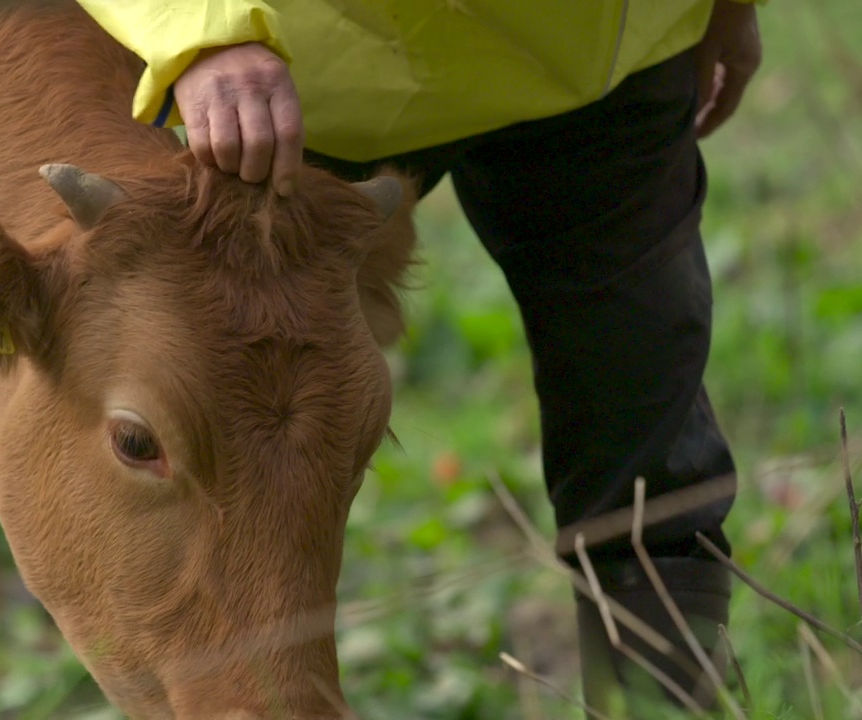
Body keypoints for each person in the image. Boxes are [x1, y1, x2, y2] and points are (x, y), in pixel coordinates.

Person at [76, 0, 764, 715]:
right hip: (290, 88)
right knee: (238, 481)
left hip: (608, 61)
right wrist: (200, 30)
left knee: (651, 461)